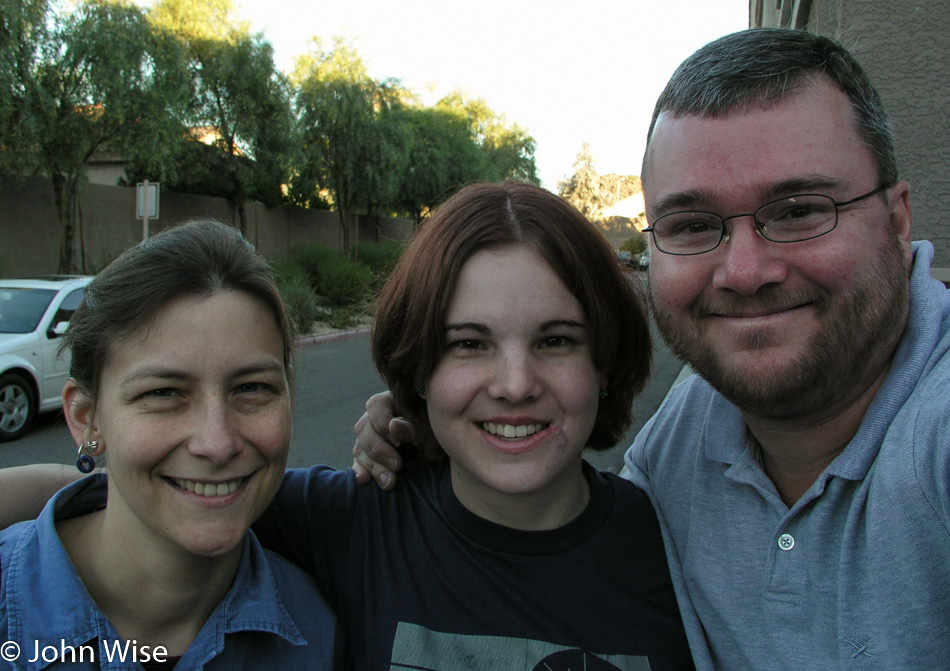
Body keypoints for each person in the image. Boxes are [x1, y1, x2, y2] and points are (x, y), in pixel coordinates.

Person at [351, 28, 950, 669]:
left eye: (800, 210)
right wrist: (433, 434)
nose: (744, 271)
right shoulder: (687, 436)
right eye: (693, 226)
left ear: (896, 219)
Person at [250, 180, 693, 670]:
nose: (515, 385)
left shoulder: (681, 549)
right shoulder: (346, 525)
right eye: (468, 344)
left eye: (555, 341)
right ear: (420, 370)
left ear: (604, 363)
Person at [0, 221, 343, 669]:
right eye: (163, 393)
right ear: (87, 419)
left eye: (252, 388)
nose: (217, 443)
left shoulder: (320, 634)